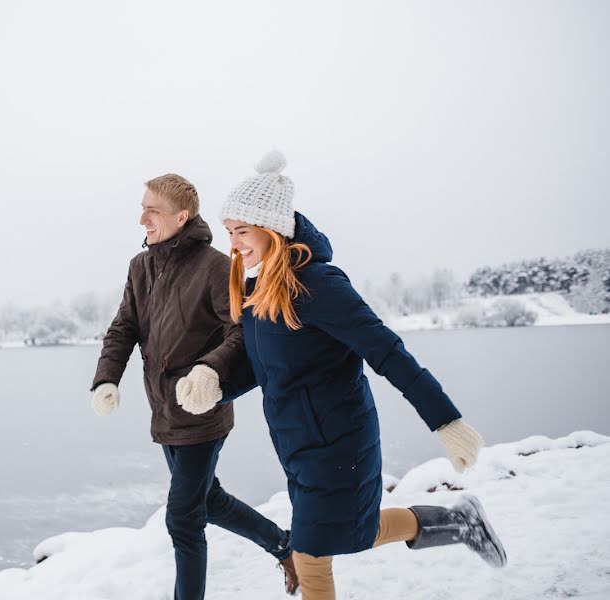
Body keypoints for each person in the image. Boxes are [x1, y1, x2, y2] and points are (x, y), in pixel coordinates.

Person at [177, 151, 507, 599]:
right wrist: (217, 388)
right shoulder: (257, 293)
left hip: (338, 443)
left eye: (243, 232)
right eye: (230, 232)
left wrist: (445, 421)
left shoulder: (319, 285)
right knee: (347, 531)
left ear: (272, 229)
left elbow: (388, 352)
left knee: (311, 553)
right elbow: (263, 367)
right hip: (298, 445)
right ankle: (458, 520)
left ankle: (458, 520)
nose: (233, 243)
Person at [90, 173, 299, 599]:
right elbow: (124, 326)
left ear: (181, 216)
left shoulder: (216, 267)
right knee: (208, 500)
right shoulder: (141, 266)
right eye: (142, 206)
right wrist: (107, 376)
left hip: (203, 410)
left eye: (153, 209)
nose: (142, 218)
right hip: (164, 409)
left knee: (183, 520)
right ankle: (285, 545)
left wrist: (208, 371)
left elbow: (240, 333)